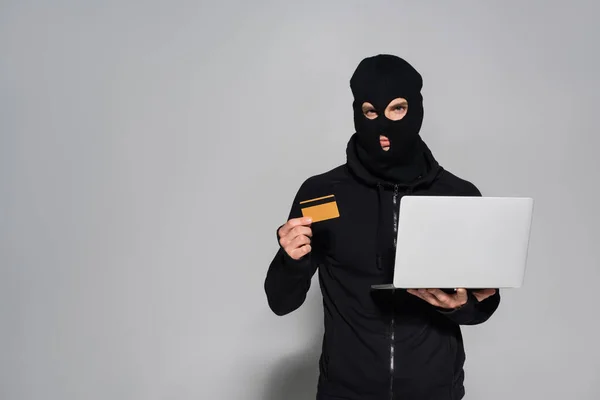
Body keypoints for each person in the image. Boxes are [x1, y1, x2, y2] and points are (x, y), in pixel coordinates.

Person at [264, 54, 500, 400]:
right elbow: (280, 301)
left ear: (416, 109)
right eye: (370, 113)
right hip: (344, 392)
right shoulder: (322, 195)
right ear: (358, 112)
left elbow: (485, 303)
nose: (383, 126)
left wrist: (460, 307)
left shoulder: (459, 195)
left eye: (397, 110)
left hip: (434, 392)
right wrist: (290, 261)